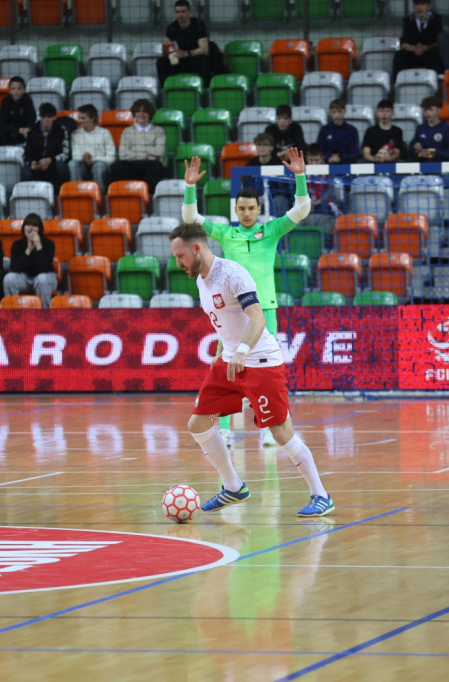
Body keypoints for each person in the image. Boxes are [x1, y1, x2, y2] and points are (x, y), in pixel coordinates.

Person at [167, 221, 334, 518]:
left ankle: (321, 495)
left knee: (281, 433)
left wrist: (242, 351)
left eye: (180, 256)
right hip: (229, 363)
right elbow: (226, 326)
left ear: (196, 248)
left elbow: (257, 319)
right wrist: (227, 355)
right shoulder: (200, 281)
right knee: (198, 424)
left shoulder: (232, 274)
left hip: (260, 363)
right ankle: (233, 486)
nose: (177, 263)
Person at [183, 147, 309, 447]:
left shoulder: (272, 230)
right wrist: (190, 188)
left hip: (263, 311)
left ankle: (269, 427)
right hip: (231, 312)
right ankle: (223, 429)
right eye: (242, 209)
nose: (247, 213)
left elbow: (301, 209)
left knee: (268, 373)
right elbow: (191, 219)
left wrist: (301, 178)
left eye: (251, 208)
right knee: (225, 370)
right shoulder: (227, 234)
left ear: (258, 207)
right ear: (235, 210)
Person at [109, 98, 166, 194]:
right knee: (117, 166)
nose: (141, 114)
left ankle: (150, 197)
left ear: (150, 114)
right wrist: (146, 155)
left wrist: (135, 149)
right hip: (132, 163)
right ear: (134, 114)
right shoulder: (127, 131)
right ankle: (123, 194)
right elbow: (123, 154)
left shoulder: (159, 131)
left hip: (150, 165)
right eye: (138, 111)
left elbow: (159, 152)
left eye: (145, 111)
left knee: (157, 166)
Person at [3, 213, 59, 307]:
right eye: (28, 225)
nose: (30, 228)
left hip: (45, 278)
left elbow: (45, 268)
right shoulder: (17, 244)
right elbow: (15, 268)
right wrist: (28, 250)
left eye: (34, 225)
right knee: (8, 278)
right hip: (24, 279)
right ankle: (12, 312)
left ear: (40, 229)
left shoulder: (49, 244)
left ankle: (45, 315)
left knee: (42, 279)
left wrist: (38, 246)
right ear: (23, 227)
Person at [21, 102, 71, 195]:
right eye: (43, 117)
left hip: (53, 166)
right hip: (37, 167)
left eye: (49, 117)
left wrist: (50, 160)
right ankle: (28, 197)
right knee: (25, 171)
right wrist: (32, 163)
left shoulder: (61, 130)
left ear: (54, 118)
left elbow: (65, 153)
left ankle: (61, 196)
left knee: (62, 167)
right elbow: (25, 154)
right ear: (40, 117)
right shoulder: (31, 132)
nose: (46, 120)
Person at [157, 0, 211, 85]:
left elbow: (205, 50)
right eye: (177, 12)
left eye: (183, 11)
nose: (180, 15)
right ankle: (166, 88)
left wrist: (187, 53)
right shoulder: (171, 28)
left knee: (204, 60)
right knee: (161, 62)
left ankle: (204, 89)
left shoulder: (198, 25)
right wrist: (165, 47)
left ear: (189, 12)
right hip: (181, 59)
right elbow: (167, 53)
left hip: (194, 58)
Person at [68, 104, 116, 194]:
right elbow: (75, 155)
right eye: (79, 118)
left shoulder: (104, 133)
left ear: (92, 118)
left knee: (99, 166)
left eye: (83, 118)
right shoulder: (75, 134)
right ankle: (75, 194)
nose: (80, 121)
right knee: (72, 164)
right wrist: (84, 157)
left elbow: (112, 157)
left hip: (101, 165)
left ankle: (99, 196)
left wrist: (93, 159)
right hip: (82, 165)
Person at [394, 0, 444, 77]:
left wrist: (427, 48)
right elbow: (403, 43)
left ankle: (438, 82)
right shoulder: (408, 21)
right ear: (413, 6)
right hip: (413, 53)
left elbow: (440, 40)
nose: (420, 7)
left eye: (423, 4)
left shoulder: (436, 19)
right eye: (417, 4)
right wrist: (414, 48)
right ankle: (398, 82)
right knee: (399, 55)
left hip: (430, 52)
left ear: (428, 6)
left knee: (438, 54)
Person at [410, 95, 449, 161]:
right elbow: (409, 150)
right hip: (424, 166)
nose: (427, 113)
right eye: (425, 110)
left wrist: (429, 153)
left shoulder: (447, 128)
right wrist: (415, 147)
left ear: (439, 110)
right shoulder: (420, 129)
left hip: (443, 166)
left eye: (430, 109)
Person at [316, 99, 361, 164]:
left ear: (344, 111)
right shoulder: (324, 130)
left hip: (347, 165)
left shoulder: (352, 130)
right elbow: (319, 150)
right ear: (330, 112)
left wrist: (340, 158)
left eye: (339, 112)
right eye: (334, 112)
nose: (337, 115)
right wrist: (328, 158)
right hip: (327, 164)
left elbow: (354, 152)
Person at [361, 98, 405, 163]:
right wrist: (374, 159)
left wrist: (389, 158)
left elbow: (397, 153)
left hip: (391, 162)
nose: (384, 114)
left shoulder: (397, 131)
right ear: (377, 114)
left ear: (392, 114)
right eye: (381, 111)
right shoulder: (370, 131)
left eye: (387, 111)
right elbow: (366, 153)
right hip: (374, 162)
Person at [0, 76, 36, 146]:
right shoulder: (5, 102)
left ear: (24, 90)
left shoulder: (28, 100)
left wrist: (25, 129)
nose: (16, 91)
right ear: (9, 91)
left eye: (19, 88)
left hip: (24, 132)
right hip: (9, 133)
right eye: (13, 88)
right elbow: (2, 123)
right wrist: (17, 130)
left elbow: (32, 119)